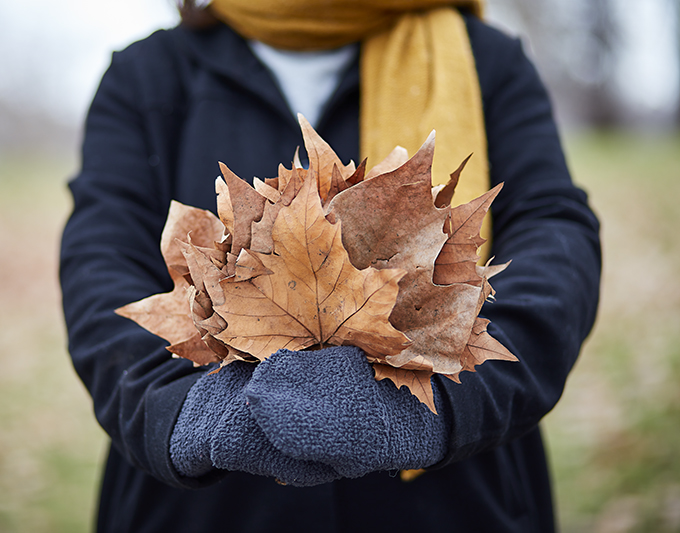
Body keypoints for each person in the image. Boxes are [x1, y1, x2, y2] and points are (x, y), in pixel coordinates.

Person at [59, 0, 601, 531]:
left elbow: (554, 237)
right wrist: (189, 414)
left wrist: (441, 405)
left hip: (456, 499)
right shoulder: (147, 74)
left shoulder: (486, 59)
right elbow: (101, 265)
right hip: (203, 510)